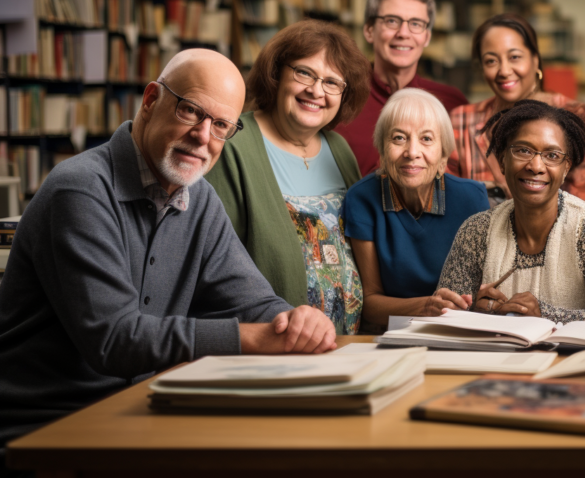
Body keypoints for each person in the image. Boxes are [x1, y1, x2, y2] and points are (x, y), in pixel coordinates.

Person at [0, 50, 336, 451]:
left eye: (221, 126)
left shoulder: (200, 199)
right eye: (191, 111)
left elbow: (251, 300)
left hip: (137, 412)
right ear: (151, 100)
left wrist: (294, 322)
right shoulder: (80, 189)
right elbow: (115, 340)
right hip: (48, 427)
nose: (203, 136)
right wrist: (257, 338)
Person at [206, 20, 371, 334]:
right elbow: (217, 259)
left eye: (332, 82)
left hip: (349, 344)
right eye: (304, 73)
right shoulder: (234, 144)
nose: (316, 91)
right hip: (276, 337)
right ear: (276, 73)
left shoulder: (339, 149)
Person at [438, 99, 585, 324]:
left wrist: (546, 315)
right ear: (502, 160)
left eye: (552, 155)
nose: (536, 166)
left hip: (574, 359)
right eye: (524, 151)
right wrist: (476, 312)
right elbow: (445, 315)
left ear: (566, 168)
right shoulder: (476, 231)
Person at [343, 88, 490, 330]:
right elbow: (369, 305)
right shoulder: (361, 198)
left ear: (443, 157)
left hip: (458, 332)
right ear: (382, 150)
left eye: (426, 139)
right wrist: (425, 307)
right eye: (399, 138)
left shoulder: (471, 198)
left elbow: (480, 291)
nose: (412, 152)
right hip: (389, 336)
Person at [448, 13, 585, 208]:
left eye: (514, 57)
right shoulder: (460, 121)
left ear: (535, 60)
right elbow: (449, 201)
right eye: (491, 61)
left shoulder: (574, 116)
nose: (504, 71)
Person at [334, 0, 467, 176]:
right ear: (369, 30)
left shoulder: (452, 104)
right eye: (392, 21)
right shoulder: (337, 96)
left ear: (427, 36)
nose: (403, 33)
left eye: (416, 23)